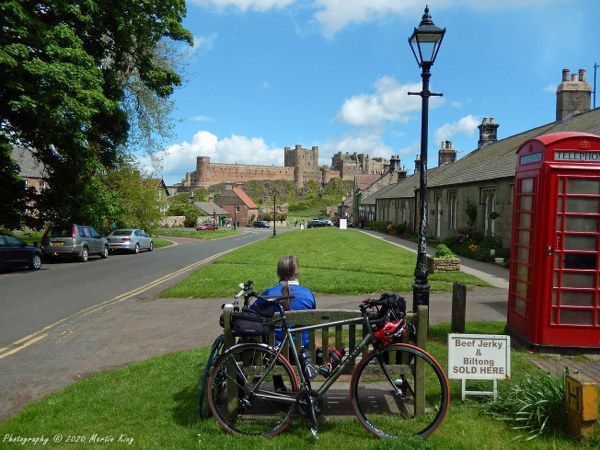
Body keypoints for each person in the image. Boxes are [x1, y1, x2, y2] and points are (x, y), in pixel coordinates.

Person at [256, 255, 316, 348]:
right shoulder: (307, 294)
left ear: (278, 272)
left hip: (275, 352)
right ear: (297, 271)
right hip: (303, 352)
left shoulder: (269, 294)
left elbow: (251, 314)